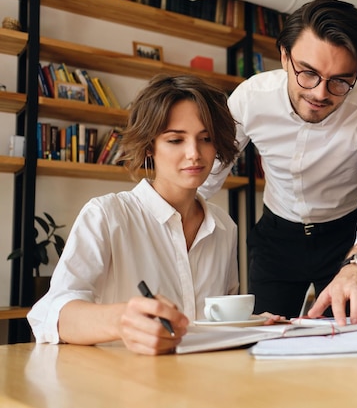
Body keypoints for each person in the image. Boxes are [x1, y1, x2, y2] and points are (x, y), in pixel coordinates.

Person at [199, 0, 357, 325]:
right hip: (276, 238)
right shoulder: (251, 98)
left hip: (346, 238)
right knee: (265, 339)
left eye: (341, 80)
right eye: (308, 73)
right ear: (284, 56)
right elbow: (210, 171)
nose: (321, 93)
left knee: (350, 342)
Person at [28, 74, 243, 355]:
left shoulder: (224, 226)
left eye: (206, 139)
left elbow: (222, 320)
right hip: (125, 386)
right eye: (176, 140)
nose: (194, 154)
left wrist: (256, 323)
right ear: (150, 146)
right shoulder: (106, 215)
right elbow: (49, 315)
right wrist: (121, 320)